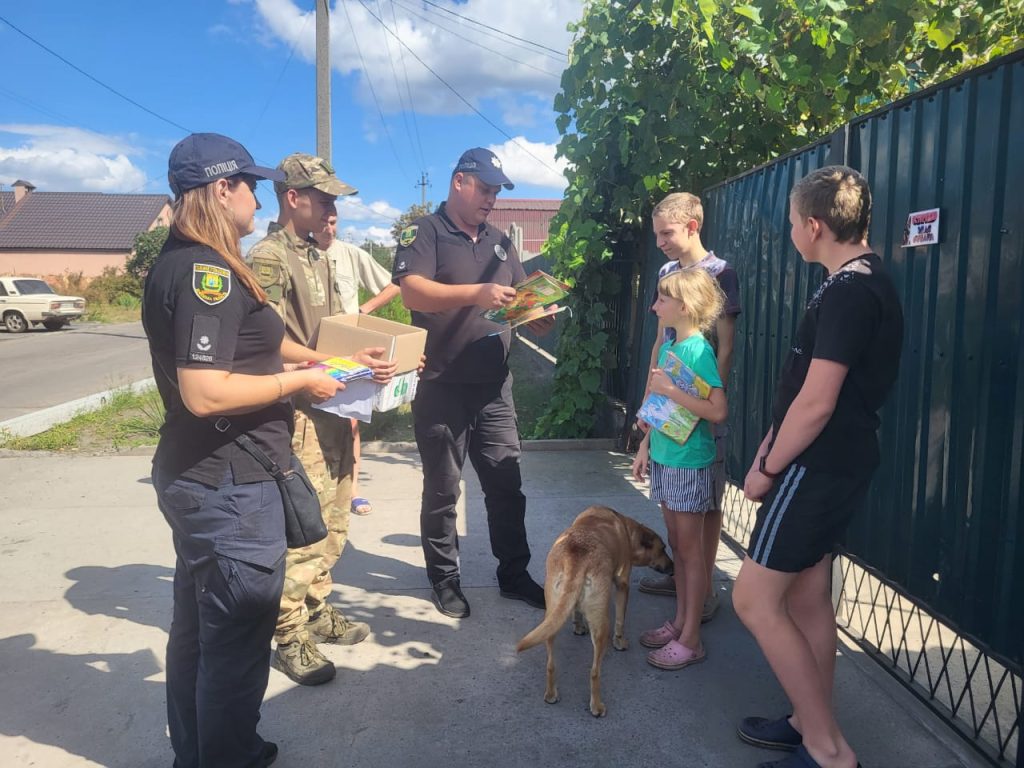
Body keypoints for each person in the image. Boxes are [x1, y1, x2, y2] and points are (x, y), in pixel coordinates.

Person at [142, 132, 350, 767]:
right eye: (250, 187)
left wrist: (325, 357)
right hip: (227, 486)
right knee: (233, 645)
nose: (258, 201)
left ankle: (207, 752)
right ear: (220, 188)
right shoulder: (207, 272)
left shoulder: (192, 260)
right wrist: (303, 383)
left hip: (202, 477)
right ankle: (224, 756)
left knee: (199, 634)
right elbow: (205, 391)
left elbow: (255, 343)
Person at [732, 166, 903, 768]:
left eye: (790, 225)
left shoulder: (852, 292)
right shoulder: (857, 280)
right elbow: (804, 386)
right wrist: (769, 444)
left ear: (814, 225)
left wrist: (767, 468)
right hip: (828, 462)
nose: (791, 234)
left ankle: (830, 752)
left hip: (818, 466)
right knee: (806, 598)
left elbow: (819, 400)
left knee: (752, 600)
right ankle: (809, 722)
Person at [247, 153, 397, 686]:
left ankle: (316, 608)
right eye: (325, 198)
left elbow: (332, 334)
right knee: (303, 531)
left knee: (335, 519)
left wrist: (374, 361)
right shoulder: (269, 259)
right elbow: (265, 344)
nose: (333, 208)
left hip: (335, 402)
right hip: (298, 413)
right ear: (294, 198)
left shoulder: (317, 255)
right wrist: (326, 366)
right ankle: (288, 635)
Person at [392, 147, 555, 619]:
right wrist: (477, 293)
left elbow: (518, 298)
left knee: (507, 484)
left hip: (493, 388)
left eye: (497, 190)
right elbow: (412, 291)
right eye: (484, 188)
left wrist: (534, 316)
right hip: (443, 384)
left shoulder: (501, 242)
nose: (491, 198)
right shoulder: (424, 232)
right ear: (459, 182)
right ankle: (444, 579)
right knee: (443, 491)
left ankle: (514, 574)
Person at [638, 192, 741, 624]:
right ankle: (683, 578)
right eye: (657, 233)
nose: (660, 241)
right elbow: (661, 344)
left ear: (692, 227)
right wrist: (651, 402)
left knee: (705, 499)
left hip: (698, 403)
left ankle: (703, 590)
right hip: (668, 405)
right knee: (678, 504)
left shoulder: (720, 272)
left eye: (667, 233)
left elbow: (725, 345)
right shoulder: (666, 273)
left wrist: (697, 400)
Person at [631, 268, 727, 670]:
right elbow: (663, 408)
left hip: (690, 463)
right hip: (667, 459)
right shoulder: (673, 346)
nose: (655, 306)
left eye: (661, 300)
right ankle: (681, 621)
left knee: (690, 554)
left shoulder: (699, 351)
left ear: (683, 307)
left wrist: (669, 391)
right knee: (680, 548)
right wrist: (645, 442)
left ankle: (691, 638)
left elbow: (717, 411)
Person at [311, 214, 401, 516]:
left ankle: (352, 492)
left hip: (349, 348)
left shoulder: (349, 254)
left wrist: (364, 309)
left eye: (334, 221)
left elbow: (393, 285)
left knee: (351, 419)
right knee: (310, 420)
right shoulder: (301, 256)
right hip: (310, 349)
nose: (329, 227)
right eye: (324, 221)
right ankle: (314, 490)